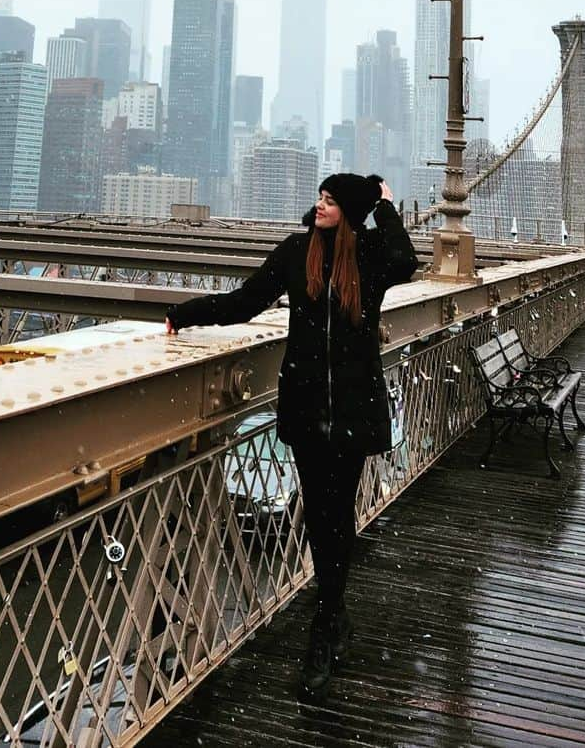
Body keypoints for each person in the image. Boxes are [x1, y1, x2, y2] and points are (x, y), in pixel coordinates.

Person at [164, 173, 418, 701]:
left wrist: (386, 208)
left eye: (330, 201)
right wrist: (185, 315)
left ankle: (322, 633)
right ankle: (334, 617)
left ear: (349, 211)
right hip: (306, 410)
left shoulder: (370, 255)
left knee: (335, 517)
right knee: (322, 518)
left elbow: (406, 259)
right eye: (320, 198)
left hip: (351, 410)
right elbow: (245, 301)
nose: (319, 206)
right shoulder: (296, 251)